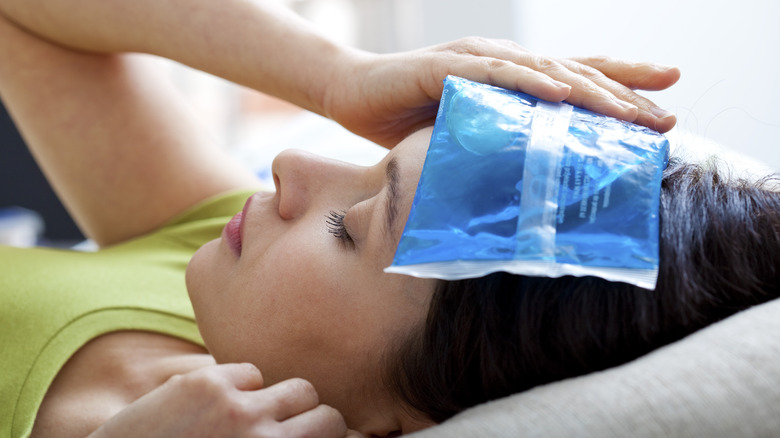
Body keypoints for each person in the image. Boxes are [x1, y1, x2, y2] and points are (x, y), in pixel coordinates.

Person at [0, 1, 707, 437]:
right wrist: (336, 78)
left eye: (349, 229)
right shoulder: (213, 270)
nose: (290, 166)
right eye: (378, 165)